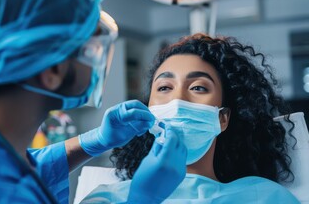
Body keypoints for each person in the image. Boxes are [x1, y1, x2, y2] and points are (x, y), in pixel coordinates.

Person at [0, 0, 187, 203]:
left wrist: (95, 141)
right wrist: (142, 198)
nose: (98, 60)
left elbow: (20, 171)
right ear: (54, 70)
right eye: (92, 49)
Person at [80, 34, 300, 203]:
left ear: (222, 118)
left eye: (197, 87)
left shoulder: (266, 197)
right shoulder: (109, 198)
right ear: (148, 111)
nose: (178, 99)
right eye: (165, 87)